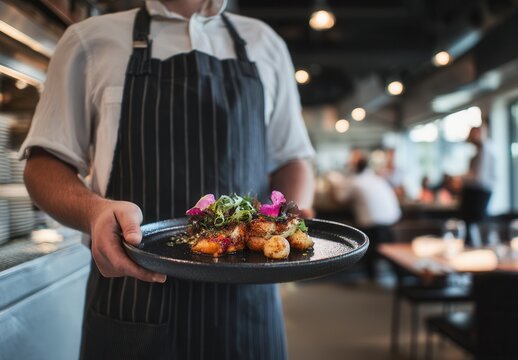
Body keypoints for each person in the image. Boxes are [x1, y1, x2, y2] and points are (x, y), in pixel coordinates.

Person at [20, 0, 315, 359]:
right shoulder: (88, 40)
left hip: (247, 307)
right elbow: (43, 164)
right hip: (133, 299)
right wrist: (94, 211)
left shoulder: (264, 43)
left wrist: (286, 222)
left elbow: (293, 159)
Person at [332, 155, 401, 280]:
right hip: (391, 221)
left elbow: (340, 199)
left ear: (354, 169)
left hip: (371, 223)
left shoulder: (355, 181)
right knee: (388, 253)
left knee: (368, 250)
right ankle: (395, 275)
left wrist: (334, 185)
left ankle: (371, 277)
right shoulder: (378, 179)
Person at [459, 124, 496, 246]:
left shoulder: (486, 150)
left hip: (478, 194)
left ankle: (475, 250)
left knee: (474, 225)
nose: (470, 139)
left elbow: (479, 178)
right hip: (477, 193)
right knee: (472, 225)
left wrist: (461, 178)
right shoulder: (481, 151)